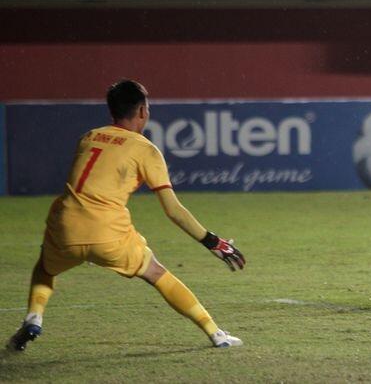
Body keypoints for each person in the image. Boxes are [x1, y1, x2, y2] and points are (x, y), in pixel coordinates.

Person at [7, 80, 246, 351]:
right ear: (143, 111)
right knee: (157, 273)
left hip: (64, 226)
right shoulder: (145, 149)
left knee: (44, 269)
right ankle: (216, 334)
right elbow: (173, 210)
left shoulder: (89, 137)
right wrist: (213, 242)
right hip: (108, 232)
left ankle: (34, 316)